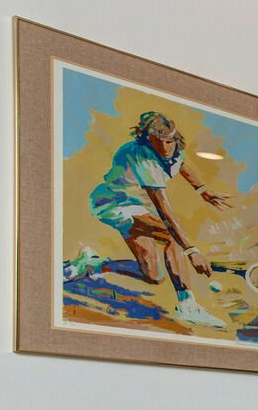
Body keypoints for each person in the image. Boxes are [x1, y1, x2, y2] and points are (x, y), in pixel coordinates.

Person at [87, 111, 231, 329]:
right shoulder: (143, 157)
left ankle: (94, 264)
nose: (165, 147)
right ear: (147, 139)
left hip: (137, 207)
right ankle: (187, 305)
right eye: (159, 141)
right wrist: (192, 251)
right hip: (113, 205)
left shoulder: (171, 151)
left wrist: (202, 190)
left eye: (169, 141)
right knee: (172, 237)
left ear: (175, 139)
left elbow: (181, 165)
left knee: (154, 276)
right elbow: (166, 213)